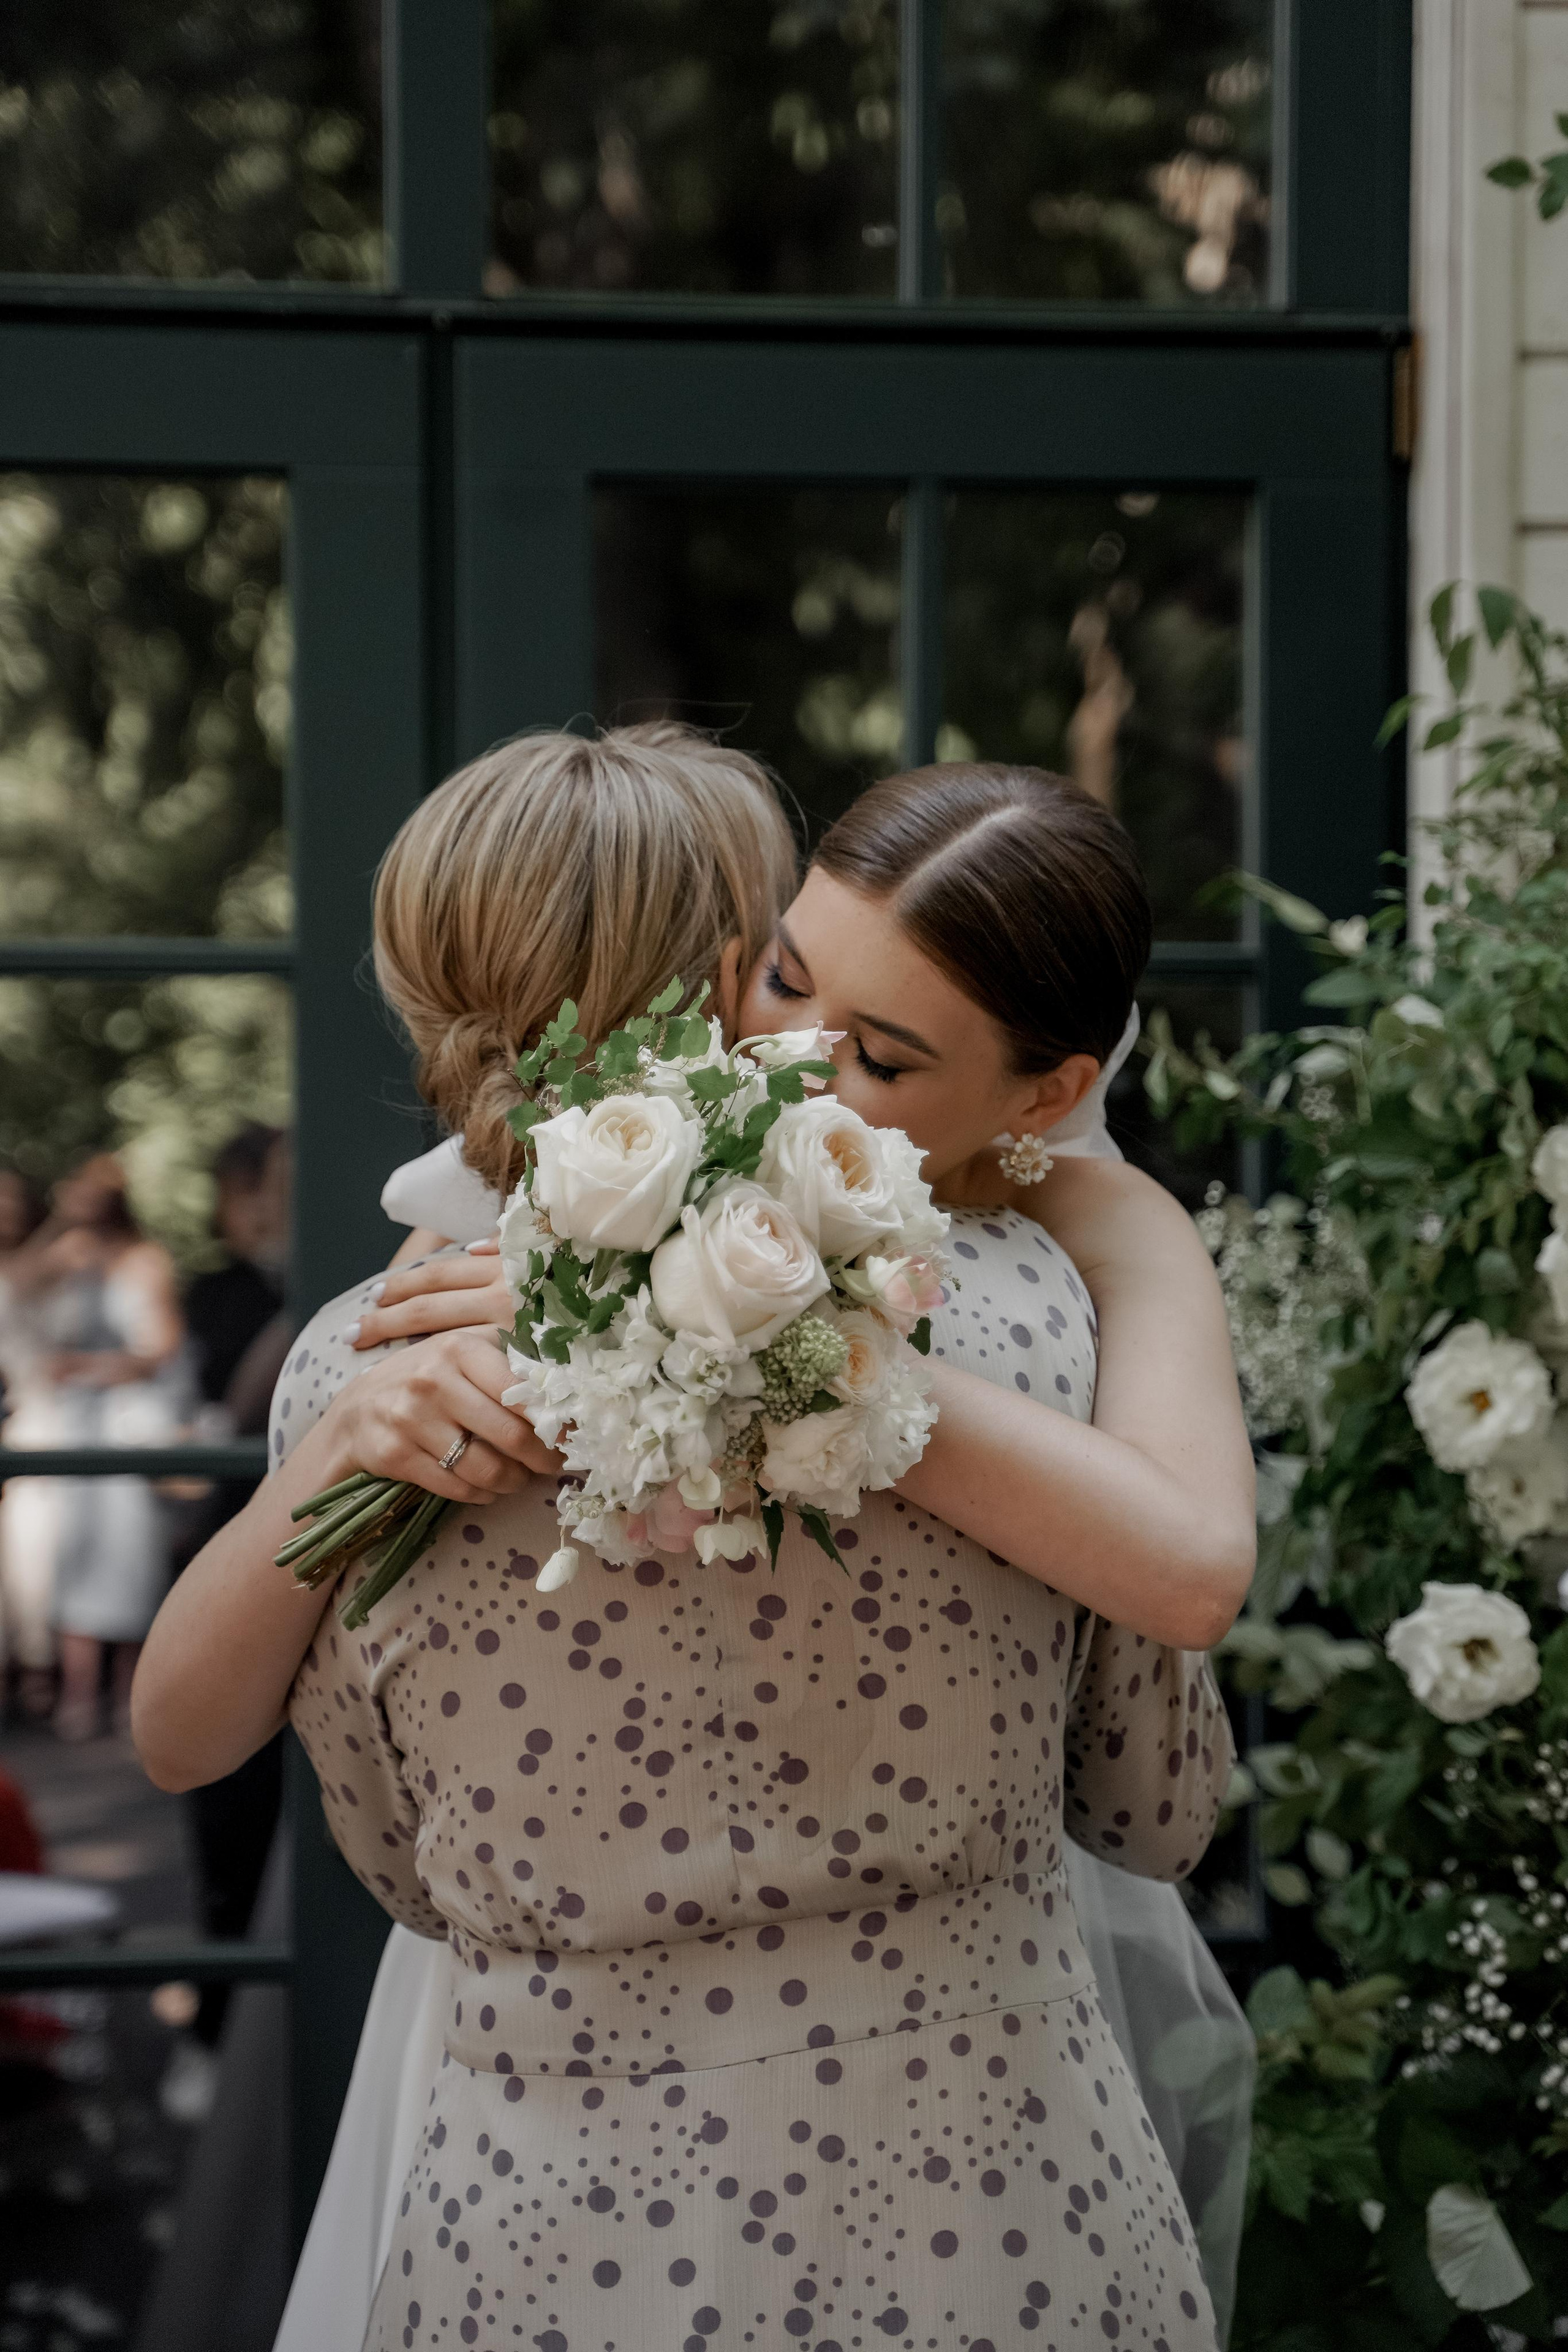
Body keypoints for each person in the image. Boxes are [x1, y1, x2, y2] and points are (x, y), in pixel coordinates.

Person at [131, 732, 1254, 2344]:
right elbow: (1156, 1807)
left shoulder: (382, 1370)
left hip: (555, 2239)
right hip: (999, 2219)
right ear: (722, 979)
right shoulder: (1020, 1322)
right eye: (785, 975)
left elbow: (396, 1862)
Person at [9, 1156, 184, 1740]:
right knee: (72, 1559)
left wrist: (88, 1366)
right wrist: (60, 1223)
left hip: (127, 1422)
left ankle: (132, 1694)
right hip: (73, 1425)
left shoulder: (144, 1261)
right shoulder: (68, 1256)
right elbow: (18, 1283)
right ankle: (80, 1695)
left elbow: (160, 1349)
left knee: (130, 1562)